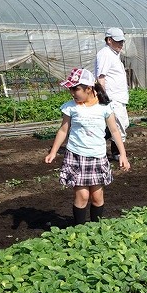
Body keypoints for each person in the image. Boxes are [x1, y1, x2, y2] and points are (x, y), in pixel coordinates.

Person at [44, 68, 130, 226]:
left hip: (97, 156)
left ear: (89, 88)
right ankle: (79, 230)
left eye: (75, 89)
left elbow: (114, 130)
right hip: (76, 156)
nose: (72, 93)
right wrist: (53, 152)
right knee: (82, 196)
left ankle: (96, 230)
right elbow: (64, 130)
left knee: (97, 197)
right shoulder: (71, 107)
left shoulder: (104, 107)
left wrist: (123, 154)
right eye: (71, 89)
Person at [95, 27, 130, 161]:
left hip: (119, 98)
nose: (121, 44)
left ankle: (110, 150)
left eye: (122, 41)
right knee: (118, 126)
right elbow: (101, 77)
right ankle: (115, 153)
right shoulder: (105, 54)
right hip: (112, 98)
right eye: (118, 41)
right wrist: (104, 98)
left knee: (120, 125)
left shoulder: (114, 54)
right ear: (109, 40)